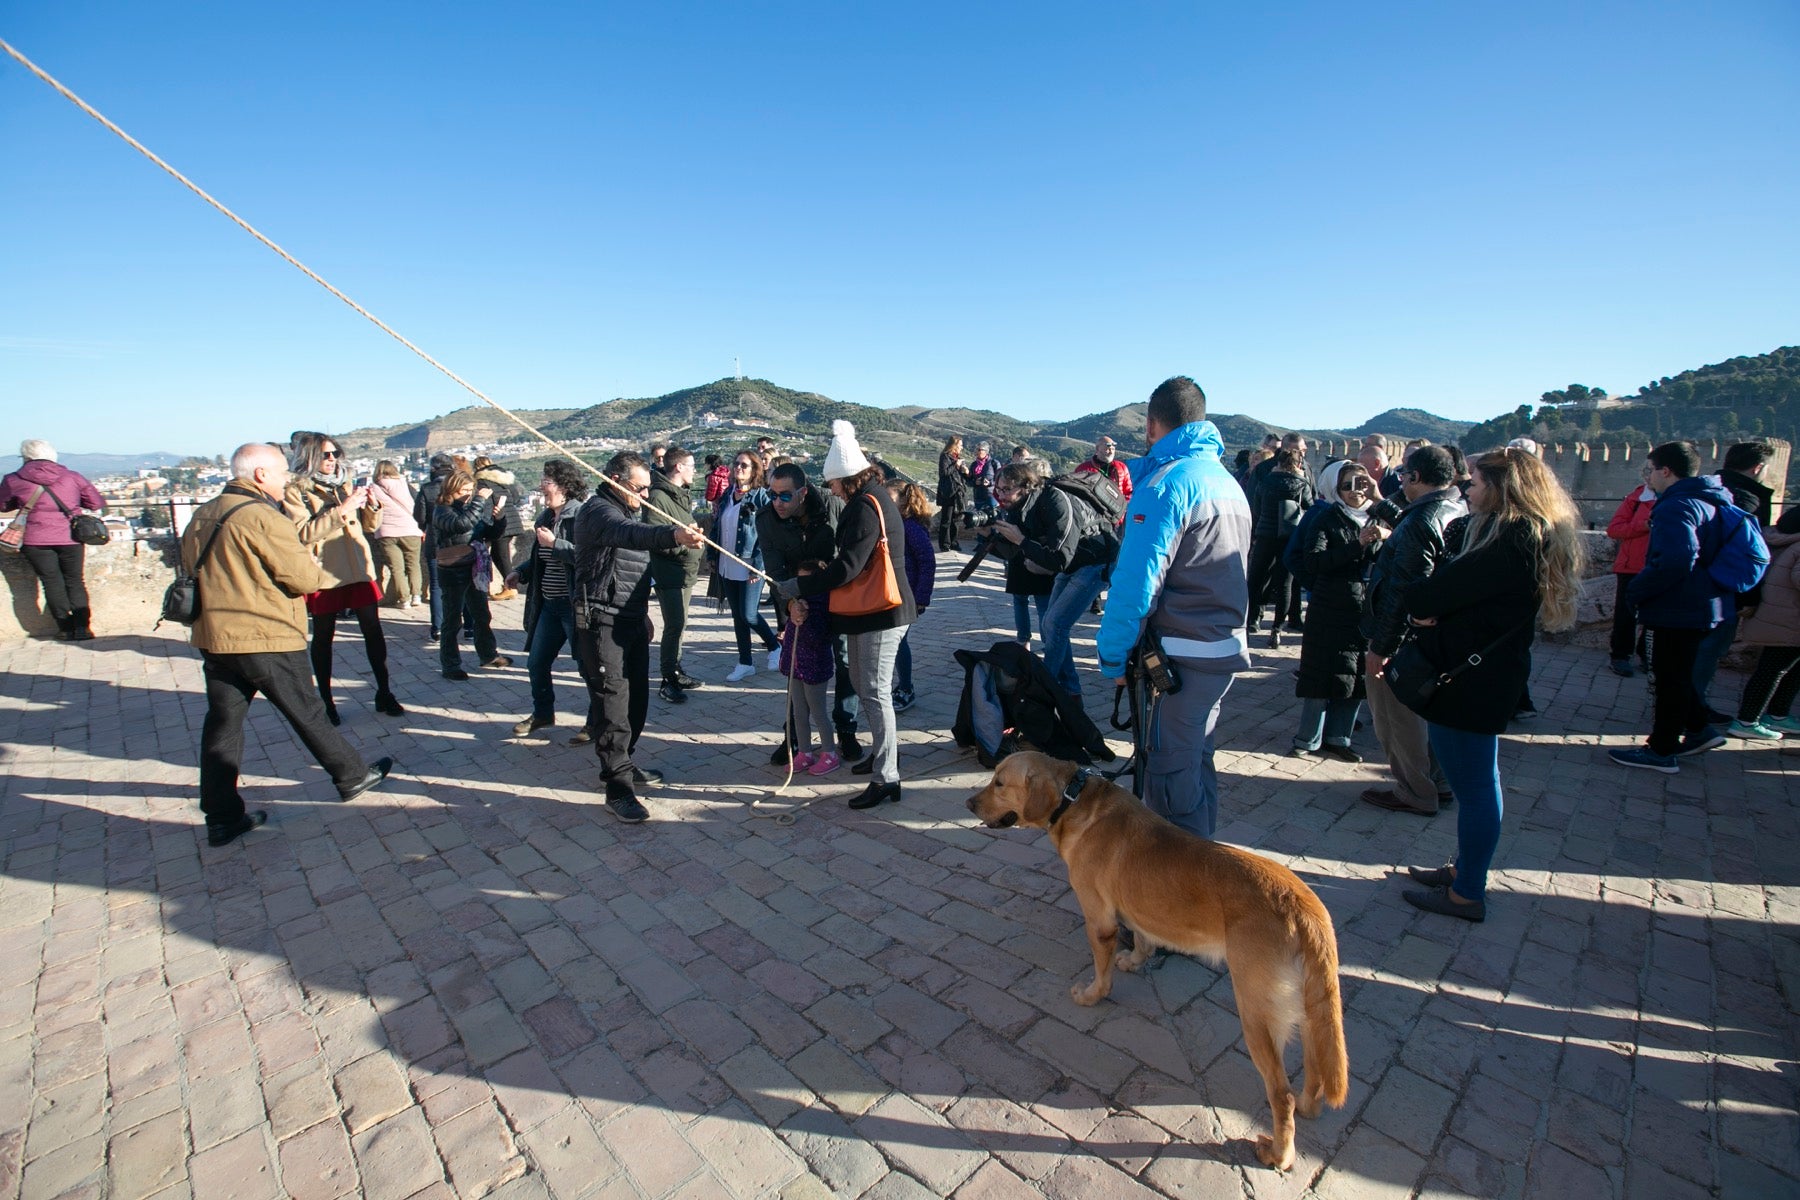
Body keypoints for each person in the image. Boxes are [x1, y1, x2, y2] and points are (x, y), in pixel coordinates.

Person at [1399, 448, 1583, 921]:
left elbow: (1426, 593)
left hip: (1470, 682)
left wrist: (1428, 608)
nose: (1466, 490)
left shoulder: (1512, 540)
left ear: (1503, 489)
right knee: (1480, 782)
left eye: (1475, 482)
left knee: (1477, 788)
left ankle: (1467, 891)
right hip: (1488, 674)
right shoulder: (1526, 536)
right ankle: (1467, 872)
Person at [181, 444, 392, 846]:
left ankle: (221, 815)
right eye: (280, 474)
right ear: (260, 474)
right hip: (264, 630)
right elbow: (304, 579)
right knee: (307, 710)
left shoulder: (204, 511)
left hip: (216, 635)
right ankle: (351, 775)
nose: (284, 482)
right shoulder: (261, 515)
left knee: (223, 726)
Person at [1094, 376, 1251, 839]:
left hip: (1180, 657)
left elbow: (1135, 584)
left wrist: (1112, 654)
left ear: (1150, 425)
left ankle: (1183, 894)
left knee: (1168, 777)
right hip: (1218, 649)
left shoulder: (1167, 484)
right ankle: (1206, 863)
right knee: (1197, 764)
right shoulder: (1226, 482)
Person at [787, 422, 917, 810]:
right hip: (869, 611)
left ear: (846, 479)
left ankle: (887, 777)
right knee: (866, 687)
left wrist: (802, 585)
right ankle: (882, 760)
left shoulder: (863, 507)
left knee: (875, 694)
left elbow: (849, 567)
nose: (831, 490)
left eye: (833, 484)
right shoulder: (871, 499)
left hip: (882, 612)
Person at [571, 452, 705, 822]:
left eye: (648, 488)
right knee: (612, 705)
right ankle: (617, 786)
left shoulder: (626, 509)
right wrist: (674, 533)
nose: (645, 495)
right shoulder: (599, 511)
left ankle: (625, 763)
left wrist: (643, 613)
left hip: (629, 619)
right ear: (616, 479)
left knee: (637, 701)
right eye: (639, 488)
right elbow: (632, 535)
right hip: (601, 621)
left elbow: (629, 569)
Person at [1611, 441, 1736, 771]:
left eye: (1651, 470)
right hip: (1704, 602)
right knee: (1678, 674)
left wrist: (1638, 590)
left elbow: (1677, 559)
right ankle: (1698, 729)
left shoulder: (1675, 506)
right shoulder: (1710, 500)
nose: (1648, 476)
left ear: (1666, 470)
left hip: (1677, 606)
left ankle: (1662, 749)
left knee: (1666, 678)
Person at [1360, 445, 1466, 815]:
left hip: (1401, 639)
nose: (1400, 480)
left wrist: (1381, 647)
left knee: (1396, 719)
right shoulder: (1453, 507)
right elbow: (1412, 522)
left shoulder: (1422, 521)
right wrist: (1379, 501)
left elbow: (1404, 592)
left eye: (1404, 475)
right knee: (1425, 714)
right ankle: (1438, 781)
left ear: (1416, 477)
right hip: (1431, 638)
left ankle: (1414, 791)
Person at [286, 433, 402, 724]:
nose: (332, 459)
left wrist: (372, 507)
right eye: (326, 454)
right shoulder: (295, 490)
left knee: (374, 632)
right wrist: (343, 509)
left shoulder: (344, 483)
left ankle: (384, 691)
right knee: (324, 638)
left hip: (357, 568)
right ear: (310, 456)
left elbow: (368, 525)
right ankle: (325, 701)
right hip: (324, 571)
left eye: (335, 453)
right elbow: (302, 534)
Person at [758, 463, 864, 765]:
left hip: (836, 599)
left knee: (844, 663)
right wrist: (792, 606)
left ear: (803, 493)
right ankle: (794, 737)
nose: (777, 503)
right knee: (796, 669)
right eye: (772, 495)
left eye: (785, 496)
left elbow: (848, 558)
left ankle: (846, 731)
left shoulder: (835, 506)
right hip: (796, 603)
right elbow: (775, 571)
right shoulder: (765, 519)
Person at [1291, 461, 1382, 761]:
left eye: (1362, 484)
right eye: (1348, 486)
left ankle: (1339, 737)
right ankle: (1308, 739)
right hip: (1330, 607)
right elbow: (1313, 561)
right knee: (1320, 677)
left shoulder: (1378, 518)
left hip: (1363, 610)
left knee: (1354, 678)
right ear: (1335, 488)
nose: (1356, 492)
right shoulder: (1325, 517)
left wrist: (1380, 501)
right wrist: (1356, 545)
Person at [506, 459, 594, 738]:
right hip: (549, 604)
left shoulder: (581, 516)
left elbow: (588, 557)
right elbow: (538, 558)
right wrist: (520, 572)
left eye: (547, 480)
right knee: (537, 662)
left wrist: (555, 544)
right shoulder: (545, 518)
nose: (541, 486)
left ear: (565, 486)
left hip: (574, 605)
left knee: (586, 664)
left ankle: (596, 720)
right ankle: (543, 713)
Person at [1695, 441, 1778, 718]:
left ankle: (1689, 706)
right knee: (1708, 651)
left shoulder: (1710, 490)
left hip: (1702, 584)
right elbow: (1743, 552)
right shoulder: (1746, 500)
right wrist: (1748, 595)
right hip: (1722, 589)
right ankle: (1692, 710)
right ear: (1758, 468)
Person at [0, 439, 105, 639]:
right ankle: (83, 627)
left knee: (51, 582)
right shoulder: (72, 477)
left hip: (35, 539)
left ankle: (64, 628)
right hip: (70, 536)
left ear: (26, 457)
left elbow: (3, 505)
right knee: (75, 581)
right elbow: (95, 503)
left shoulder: (13, 479)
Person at [432, 469, 511, 680]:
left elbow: (488, 532)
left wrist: (499, 517)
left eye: (470, 490)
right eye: (464, 490)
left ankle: (488, 654)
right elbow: (461, 525)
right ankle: (450, 665)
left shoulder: (469, 509)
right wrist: (478, 500)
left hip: (473, 568)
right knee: (452, 620)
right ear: (452, 488)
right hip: (453, 570)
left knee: (482, 615)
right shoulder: (442, 511)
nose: (468, 494)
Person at [1730, 508, 1800, 740]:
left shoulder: (1779, 538)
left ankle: (1777, 714)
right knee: (1773, 669)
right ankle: (1747, 720)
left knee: (1784, 668)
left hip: (1775, 613)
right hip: (1790, 617)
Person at [712, 451, 780, 681]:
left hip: (750, 564)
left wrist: (758, 566)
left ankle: (774, 646)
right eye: (736, 464)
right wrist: (712, 555)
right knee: (737, 617)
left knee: (749, 614)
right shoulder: (727, 495)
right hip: (727, 564)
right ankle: (745, 662)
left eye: (744, 465)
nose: (738, 468)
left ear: (754, 471)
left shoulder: (761, 498)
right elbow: (717, 526)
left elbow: (768, 536)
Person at [647, 447, 706, 703]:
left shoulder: (679, 495)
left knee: (679, 625)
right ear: (679, 467)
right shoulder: (659, 496)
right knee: (673, 627)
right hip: (669, 574)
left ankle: (676, 670)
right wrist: (686, 545)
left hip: (684, 572)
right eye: (691, 465)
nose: (695, 471)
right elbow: (654, 536)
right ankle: (667, 680)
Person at [1245, 447, 1314, 647]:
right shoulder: (1302, 484)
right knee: (1285, 584)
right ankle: (1276, 628)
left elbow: (1257, 509)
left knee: (1257, 579)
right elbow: (1309, 507)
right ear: (1297, 464)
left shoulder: (1266, 482)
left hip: (1265, 536)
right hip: (1289, 537)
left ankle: (1252, 621)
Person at [886, 480, 937, 712]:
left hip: (907, 595)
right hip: (894, 593)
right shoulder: (896, 524)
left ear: (904, 501)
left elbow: (927, 562)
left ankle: (906, 687)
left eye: (890, 498)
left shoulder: (910, 528)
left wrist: (920, 598)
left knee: (898, 642)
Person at [991, 466, 1054, 650]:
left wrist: (1021, 539)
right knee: (1025, 601)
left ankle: (1045, 642)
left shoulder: (1042, 505)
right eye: (999, 490)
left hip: (1037, 559)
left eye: (1006, 490)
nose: (1002, 495)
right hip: (1022, 559)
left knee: (1041, 605)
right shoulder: (1016, 505)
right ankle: (1030, 640)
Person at [1604, 464, 1657, 677]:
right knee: (1626, 614)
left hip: (1657, 565)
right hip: (1631, 566)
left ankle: (1647, 655)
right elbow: (1614, 530)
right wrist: (1644, 525)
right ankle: (1620, 655)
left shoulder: (1675, 501)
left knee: (1654, 615)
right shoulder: (1635, 499)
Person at [369, 460, 424, 609]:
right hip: (411, 528)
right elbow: (418, 501)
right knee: (414, 564)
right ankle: (416, 596)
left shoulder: (373, 488)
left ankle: (404, 599)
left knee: (397, 569)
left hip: (386, 532)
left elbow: (369, 509)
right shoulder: (404, 484)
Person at [414, 453, 456, 641]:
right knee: (464, 583)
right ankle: (470, 627)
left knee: (436, 586)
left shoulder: (427, 489)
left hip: (435, 540)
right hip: (458, 540)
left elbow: (420, 516)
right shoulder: (459, 487)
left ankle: (437, 627)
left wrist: (427, 527)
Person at [473, 456, 525, 600]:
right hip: (512, 519)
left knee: (501, 556)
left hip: (498, 520)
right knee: (499, 555)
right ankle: (508, 586)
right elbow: (515, 498)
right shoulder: (504, 479)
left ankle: (510, 587)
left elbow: (485, 504)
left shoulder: (481, 481)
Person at [935, 436, 967, 552]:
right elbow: (944, 472)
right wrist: (955, 465)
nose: (961, 448)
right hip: (948, 492)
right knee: (946, 519)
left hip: (957, 493)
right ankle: (944, 544)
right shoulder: (945, 456)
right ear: (954, 446)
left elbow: (959, 476)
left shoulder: (956, 458)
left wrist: (964, 471)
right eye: (960, 446)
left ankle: (953, 542)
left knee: (955, 520)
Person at [965, 440, 999, 526]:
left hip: (991, 496)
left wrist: (990, 483)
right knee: (980, 522)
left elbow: (1001, 479)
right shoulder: (973, 465)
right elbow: (968, 482)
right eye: (977, 449)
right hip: (978, 497)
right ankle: (982, 539)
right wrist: (975, 482)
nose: (978, 451)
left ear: (986, 451)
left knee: (993, 520)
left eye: (980, 449)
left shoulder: (994, 463)